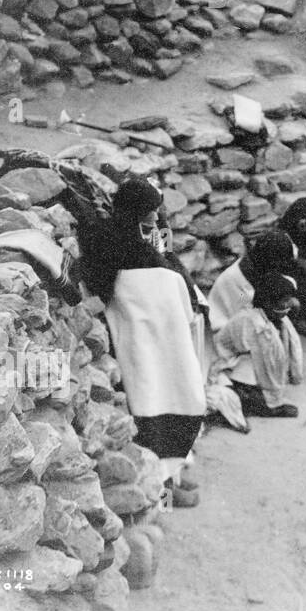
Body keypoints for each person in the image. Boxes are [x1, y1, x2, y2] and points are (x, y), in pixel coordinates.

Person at [80, 176, 206, 506]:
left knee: (161, 401)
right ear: (139, 215)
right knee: (166, 401)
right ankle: (161, 486)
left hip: (145, 344)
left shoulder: (117, 240)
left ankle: (169, 474)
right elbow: (178, 304)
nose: (156, 219)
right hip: (152, 344)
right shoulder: (136, 255)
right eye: (151, 213)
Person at [209, 272, 304, 419]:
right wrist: (274, 399)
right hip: (222, 363)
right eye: (284, 301)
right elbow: (266, 362)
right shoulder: (254, 323)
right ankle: (261, 404)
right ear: (268, 303)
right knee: (256, 364)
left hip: (236, 357)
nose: (288, 305)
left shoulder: (270, 316)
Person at [207, 230, 298, 335]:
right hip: (224, 321)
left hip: (248, 305)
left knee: (292, 304)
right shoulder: (236, 280)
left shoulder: (259, 263)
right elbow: (242, 309)